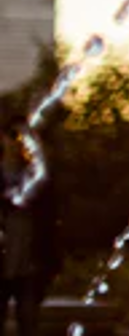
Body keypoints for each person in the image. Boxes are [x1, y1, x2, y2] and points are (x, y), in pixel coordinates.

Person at [0, 124, 57, 336]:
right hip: (4, 261)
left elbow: (49, 221)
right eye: (12, 136)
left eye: (22, 138)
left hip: (29, 265)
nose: (16, 143)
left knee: (28, 322)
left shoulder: (37, 181)